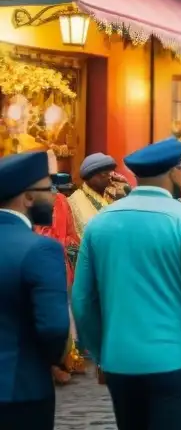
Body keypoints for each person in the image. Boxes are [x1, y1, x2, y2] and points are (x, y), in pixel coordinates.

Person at [72, 137, 181, 430]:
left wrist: (100, 354)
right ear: (173, 173)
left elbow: (82, 300)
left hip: (120, 361)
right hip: (177, 360)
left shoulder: (100, 222)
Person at [0, 151, 70, 430]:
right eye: (49, 188)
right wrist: (54, 360)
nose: (55, 196)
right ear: (27, 197)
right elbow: (53, 328)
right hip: (20, 389)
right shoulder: (41, 248)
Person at [34, 172, 83, 385]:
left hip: (61, 261)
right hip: (38, 258)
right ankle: (50, 364)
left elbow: (71, 231)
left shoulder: (63, 202)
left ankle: (64, 360)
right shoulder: (31, 203)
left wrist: (72, 246)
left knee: (63, 309)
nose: (54, 192)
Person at [68, 152, 129, 237]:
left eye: (111, 173)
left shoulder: (113, 193)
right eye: (104, 173)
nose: (109, 177)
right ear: (89, 176)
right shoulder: (74, 200)